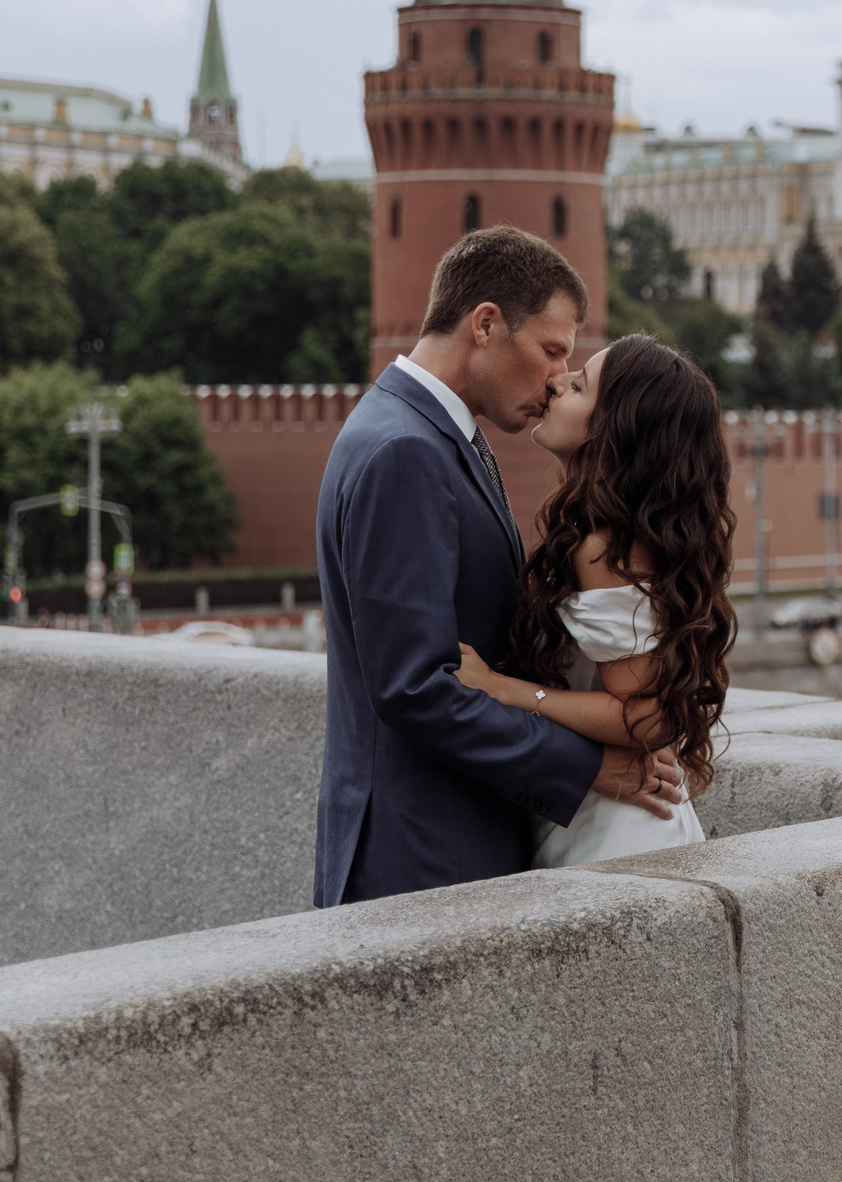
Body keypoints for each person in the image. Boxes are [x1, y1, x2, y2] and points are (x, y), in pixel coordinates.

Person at [313, 228, 684, 907]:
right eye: (550, 351)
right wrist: (589, 765)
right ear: (485, 323)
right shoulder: (407, 450)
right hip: (425, 860)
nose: (554, 379)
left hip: (444, 849)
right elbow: (416, 687)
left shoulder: (424, 433)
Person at [447, 333, 736, 866]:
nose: (556, 382)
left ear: (616, 430)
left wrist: (500, 689)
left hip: (615, 836)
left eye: (579, 385)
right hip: (618, 820)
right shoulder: (619, 534)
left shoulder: (603, 545)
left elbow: (646, 719)